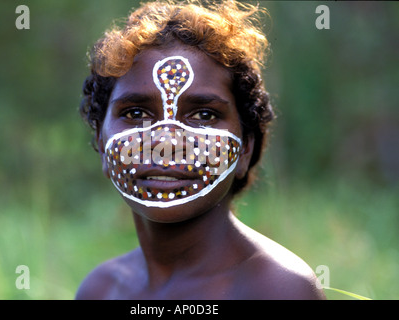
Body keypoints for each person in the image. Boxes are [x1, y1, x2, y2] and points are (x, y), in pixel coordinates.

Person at [76, 0, 326, 300]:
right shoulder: (102, 290)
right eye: (136, 114)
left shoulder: (276, 288)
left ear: (246, 148)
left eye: (203, 115)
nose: (165, 142)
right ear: (103, 145)